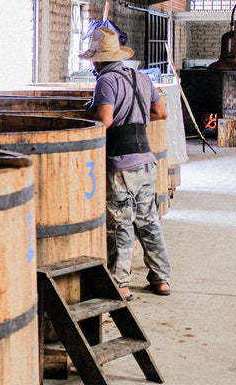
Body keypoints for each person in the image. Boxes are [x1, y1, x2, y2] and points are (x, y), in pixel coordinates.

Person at [80, 27, 171, 301]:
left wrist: (88, 119)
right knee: (148, 221)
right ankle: (161, 279)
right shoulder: (141, 77)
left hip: (120, 164)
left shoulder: (105, 82)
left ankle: (120, 284)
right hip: (146, 160)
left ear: (97, 60)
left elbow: (105, 120)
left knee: (120, 224)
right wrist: (137, 120)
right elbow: (161, 112)